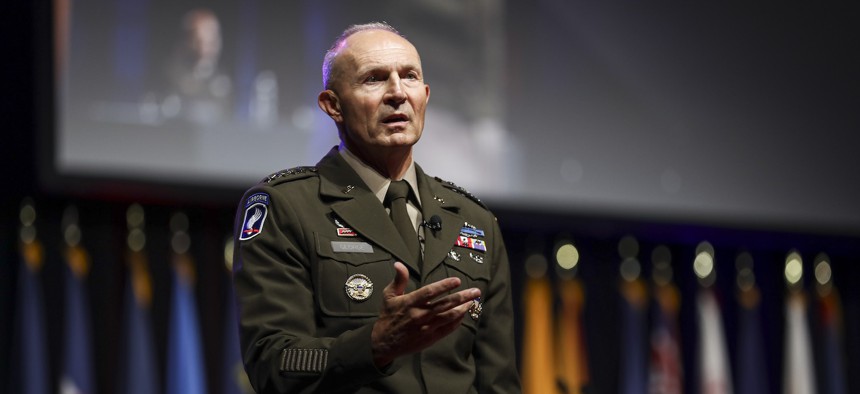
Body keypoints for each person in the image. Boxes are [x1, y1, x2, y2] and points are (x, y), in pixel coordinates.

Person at [232, 22, 521, 393]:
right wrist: (374, 345)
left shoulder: (475, 222)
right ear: (332, 105)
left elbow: (499, 382)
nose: (398, 93)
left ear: (426, 96)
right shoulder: (286, 207)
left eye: (410, 77)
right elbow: (273, 363)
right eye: (374, 79)